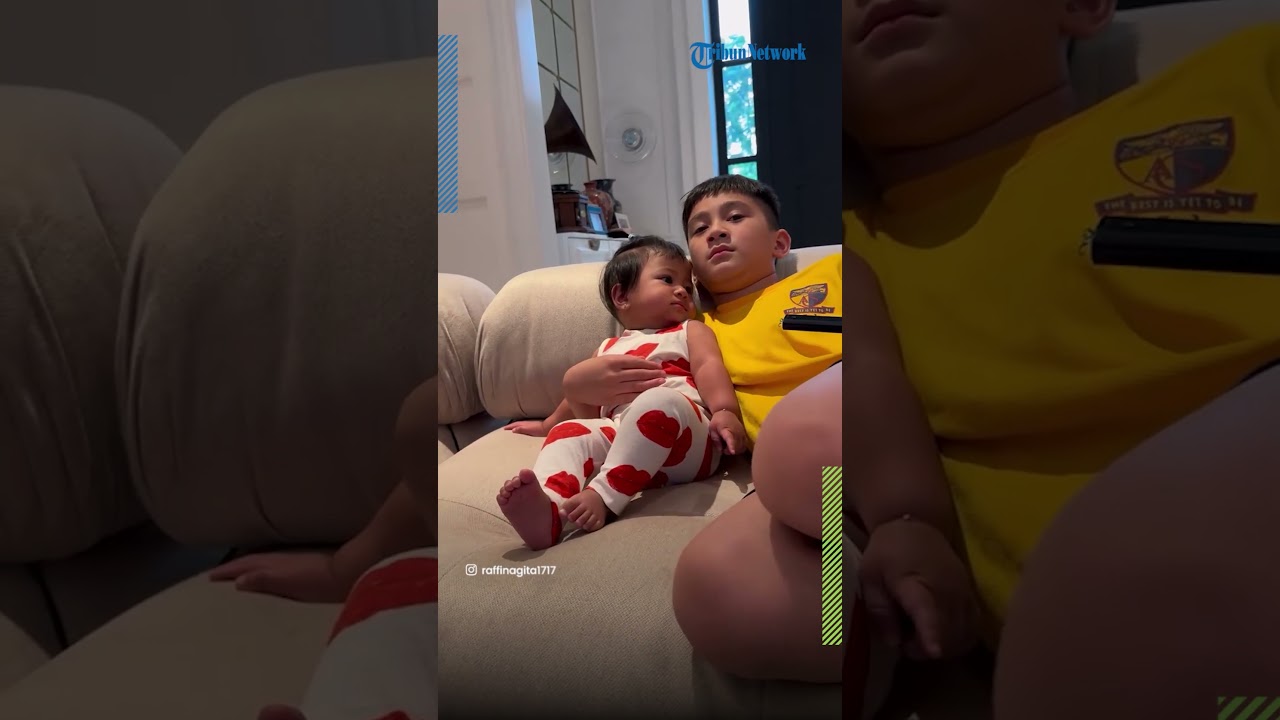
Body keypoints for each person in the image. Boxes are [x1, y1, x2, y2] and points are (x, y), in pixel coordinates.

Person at [842, 0, 1280, 716]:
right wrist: (904, 527)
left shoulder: (1250, 76)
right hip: (1140, 665)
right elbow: (847, 402)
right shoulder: (849, 256)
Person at [653, 174, 968, 690]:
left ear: (779, 243)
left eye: (735, 216)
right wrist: (581, 386)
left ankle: (907, 530)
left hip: (873, 439)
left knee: (805, 432)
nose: (716, 231)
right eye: (699, 228)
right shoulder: (695, 333)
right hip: (800, 492)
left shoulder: (834, 271)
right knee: (708, 580)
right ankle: (872, 647)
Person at [497, 235, 747, 550]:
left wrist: (725, 411)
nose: (683, 290)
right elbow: (578, 400)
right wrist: (548, 425)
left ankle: (604, 496)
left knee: (659, 401)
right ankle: (549, 509)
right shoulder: (607, 348)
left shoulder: (690, 330)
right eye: (667, 279)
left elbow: (709, 366)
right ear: (622, 296)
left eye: (688, 286)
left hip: (687, 441)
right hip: (625, 442)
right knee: (570, 431)